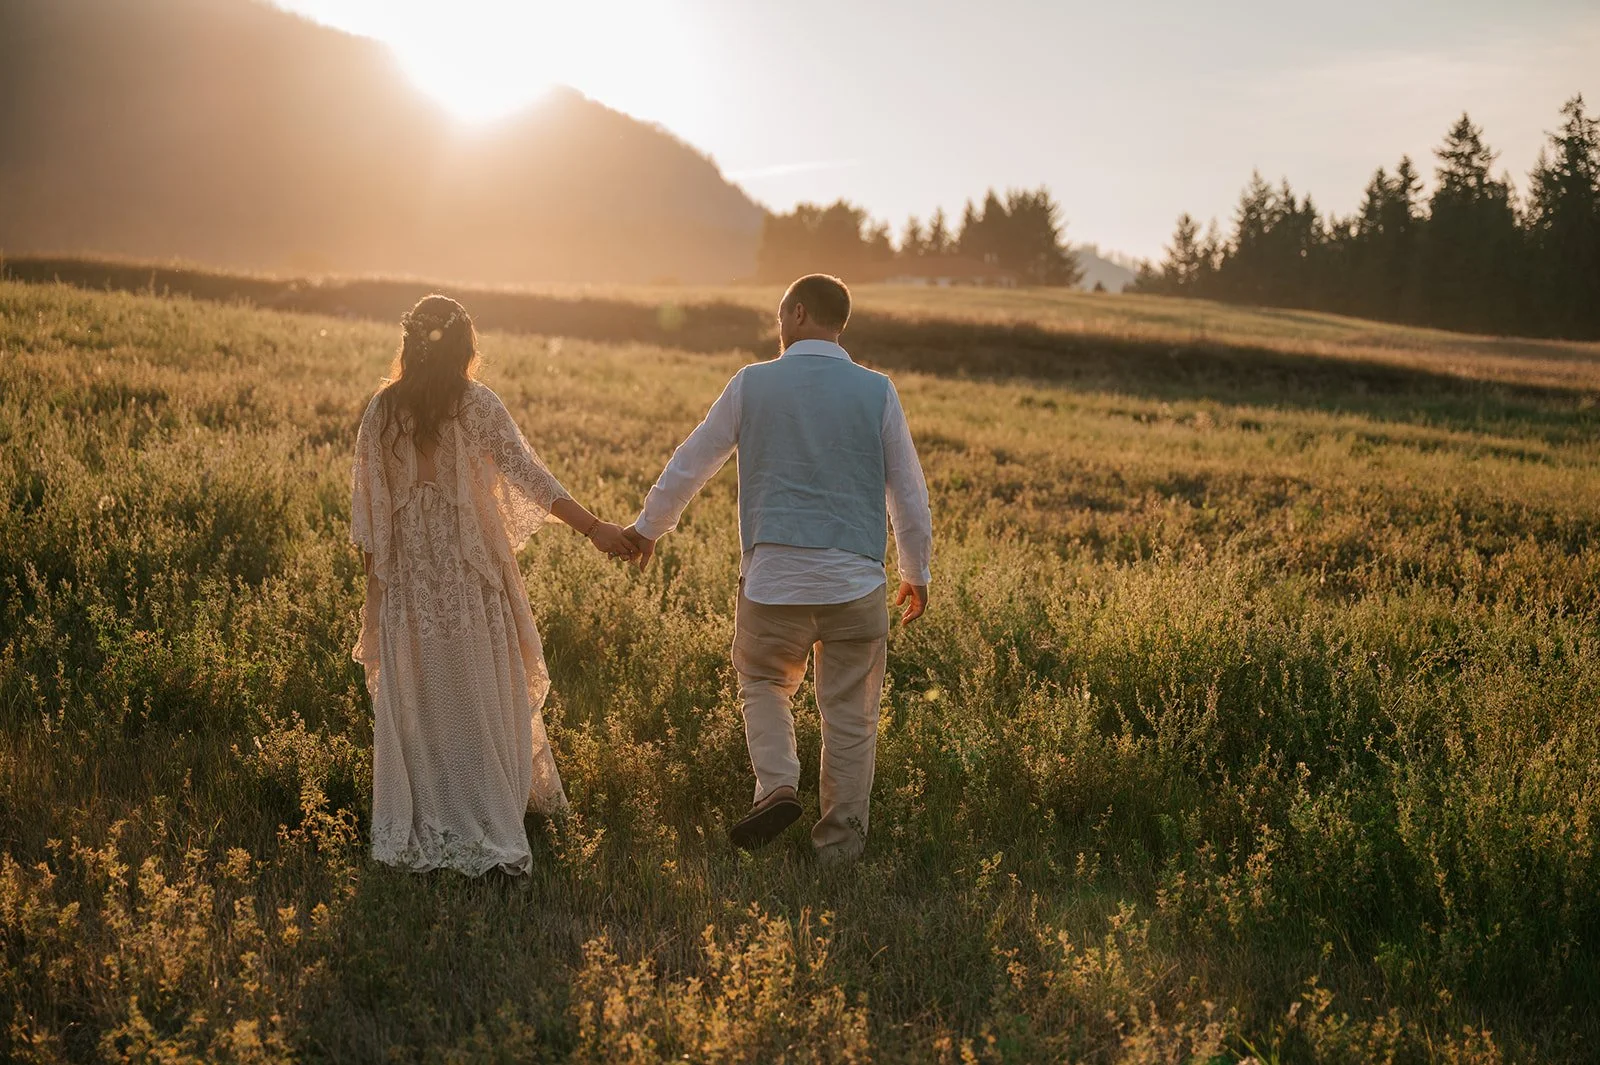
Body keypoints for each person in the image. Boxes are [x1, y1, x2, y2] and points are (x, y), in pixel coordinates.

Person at [624, 274, 933, 863]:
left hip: (773, 581)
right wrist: (915, 571)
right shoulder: (877, 391)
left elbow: (691, 463)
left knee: (764, 683)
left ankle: (777, 785)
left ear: (796, 314)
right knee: (850, 716)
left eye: (779, 317)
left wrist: (647, 529)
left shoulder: (752, 384)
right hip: (857, 584)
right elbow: (909, 494)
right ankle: (839, 849)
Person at [350, 294, 636, 877]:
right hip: (466, 569)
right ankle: (487, 813)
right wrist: (596, 529)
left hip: (410, 573)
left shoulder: (381, 411)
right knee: (479, 685)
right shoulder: (477, 404)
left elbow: (370, 519)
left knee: (422, 691)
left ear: (409, 344)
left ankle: (431, 812)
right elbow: (532, 477)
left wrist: (375, 597)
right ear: (466, 347)